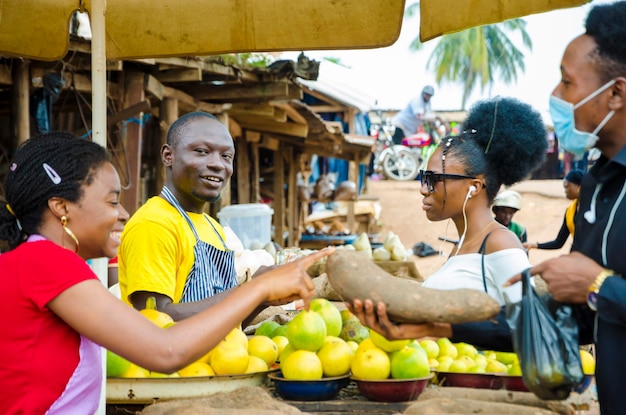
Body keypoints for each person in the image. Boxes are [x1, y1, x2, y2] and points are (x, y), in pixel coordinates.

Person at [0, 132, 332, 413]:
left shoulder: (35, 263)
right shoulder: (45, 263)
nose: (123, 213)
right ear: (61, 207)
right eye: (112, 201)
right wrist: (258, 287)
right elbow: (166, 351)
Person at [348, 96, 547, 351]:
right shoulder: (463, 245)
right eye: (423, 178)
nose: (423, 189)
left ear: (474, 187)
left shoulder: (500, 243)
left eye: (433, 179)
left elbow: (533, 327)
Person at [503, 3, 626, 413]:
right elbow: (581, 319)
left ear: (615, 93)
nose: (554, 96)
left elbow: (597, 291)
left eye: (566, 82)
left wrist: (598, 285)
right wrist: (442, 325)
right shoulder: (597, 184)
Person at [119, 112, 279, 326]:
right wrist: (252, 289)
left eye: (226, 156)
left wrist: (264, 298)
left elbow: (228, 321)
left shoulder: (213, 228)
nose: (218, 165)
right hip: (175, 360)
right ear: (168, 156)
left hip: (222, 357)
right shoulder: (154, 224)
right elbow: (155, 322)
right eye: (202, 152)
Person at [523, 169, 584, 251]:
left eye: (567, 187)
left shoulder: (595, 208)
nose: (565, 191)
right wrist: (535, 245)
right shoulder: (570, 211)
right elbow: (558, 242)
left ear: (579, 186)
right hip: (579, 256)